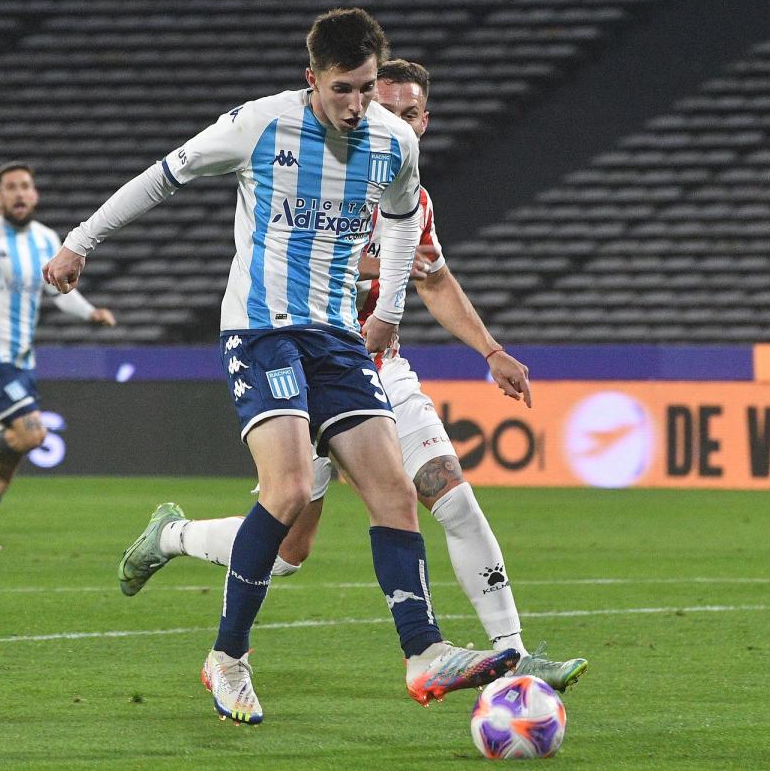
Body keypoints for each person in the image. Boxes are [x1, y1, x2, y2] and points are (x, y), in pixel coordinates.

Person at [42, 9, 518, 725]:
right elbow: (164, 175)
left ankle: (422, 649)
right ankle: (227, 656)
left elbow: (400, 221)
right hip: (261, 328)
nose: (357, 105)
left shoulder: (392, 141)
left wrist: (387, 306)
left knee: (392, 488)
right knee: (290, 487)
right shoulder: (259, 126)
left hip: (334, 337)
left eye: (364, 88)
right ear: (311, 81)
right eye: (342, 90)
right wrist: (81, 241)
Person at [117, 60, 588, 692]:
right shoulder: (327, 171)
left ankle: (511, 652)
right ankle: (173, 536)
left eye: (409, 111)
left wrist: (490, 349)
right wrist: (377, 269)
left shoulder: (408, 193)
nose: (393, 119)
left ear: (425, 120)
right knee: (287, 549)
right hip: (306, 359)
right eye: (384, 105)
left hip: (379, 371)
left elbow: (436, 278)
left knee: (448, 491)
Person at [0, 161, 116, 551]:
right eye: (10, 187)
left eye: (25, 186)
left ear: (35, 195)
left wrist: (90, 312)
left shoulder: (47, 240)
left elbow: (58, 291)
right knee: (31, 434)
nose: (19, 193)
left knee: (14, 450)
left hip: (23, 361)